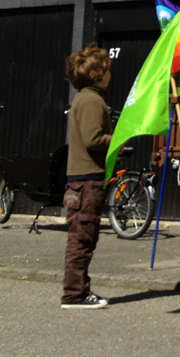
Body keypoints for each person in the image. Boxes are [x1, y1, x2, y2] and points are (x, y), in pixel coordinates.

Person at [61, 43, 113, 310]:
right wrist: (119, 142)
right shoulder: (92, 100)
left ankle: (78, 291)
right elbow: (93, 139)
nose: (110, 75)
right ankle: (74, 295)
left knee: (80, 237)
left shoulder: (83, 97)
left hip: (78, 180)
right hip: (88, 179)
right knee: (83, 238)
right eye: (107, 70)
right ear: (97, 74)